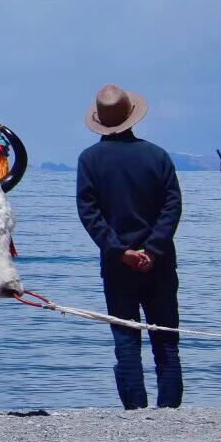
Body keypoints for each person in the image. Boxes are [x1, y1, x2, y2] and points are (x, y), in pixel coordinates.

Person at [74, 82, 183, 409]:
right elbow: (172, 206)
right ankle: (170, 413)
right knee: (165, 343)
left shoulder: (90, 160)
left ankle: (136, 411)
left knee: (126, 342)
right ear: (132, 118)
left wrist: (120, 250)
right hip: (159, 263)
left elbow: (89, 212)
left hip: (117, 265)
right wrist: (152, 248)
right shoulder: (157, 156)